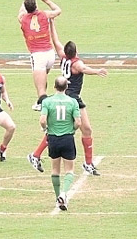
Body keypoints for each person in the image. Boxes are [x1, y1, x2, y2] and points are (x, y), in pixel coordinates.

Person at [28, 21, 107, 175]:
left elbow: (55, 40)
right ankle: (87, 163)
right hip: (72, 99)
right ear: (76, 52)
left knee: (70, 130)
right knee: (75, 130)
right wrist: (97, 71)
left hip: (65, 97)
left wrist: (52, 24)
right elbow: (84, 69)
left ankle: (36, 155)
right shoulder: (76, 64)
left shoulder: (62, 56)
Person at [40, 76, 81, 211]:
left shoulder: (47, 101)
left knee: (55, 169)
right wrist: (72, 129)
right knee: (69, 170)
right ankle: (64, 193)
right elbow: (78, 122)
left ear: (54, 87)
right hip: (68, 138)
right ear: (66, 87)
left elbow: (42, 120)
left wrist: (46, 129)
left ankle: (58, 197)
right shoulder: (72, 102)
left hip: (53, 138)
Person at [17, 0, 62, 111]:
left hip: (38, 55)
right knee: (43, 79)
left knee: (40, 88)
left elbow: (20, 11)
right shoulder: (45, 14)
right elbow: (58, 10)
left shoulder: (23, 18)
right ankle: (40, 102)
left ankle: (44, 106)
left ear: (26, 9)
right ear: (36, 5)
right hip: (50, 53)